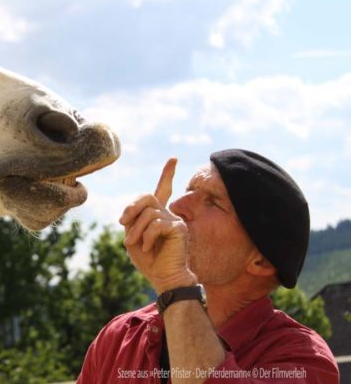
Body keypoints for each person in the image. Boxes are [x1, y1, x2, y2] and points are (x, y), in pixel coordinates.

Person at [76, 149, 339, 384]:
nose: (177, 207)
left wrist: (174, 282)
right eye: (189, 191)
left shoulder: (301, 360)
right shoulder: (120, 337)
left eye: (213, 202)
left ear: (261, 261)